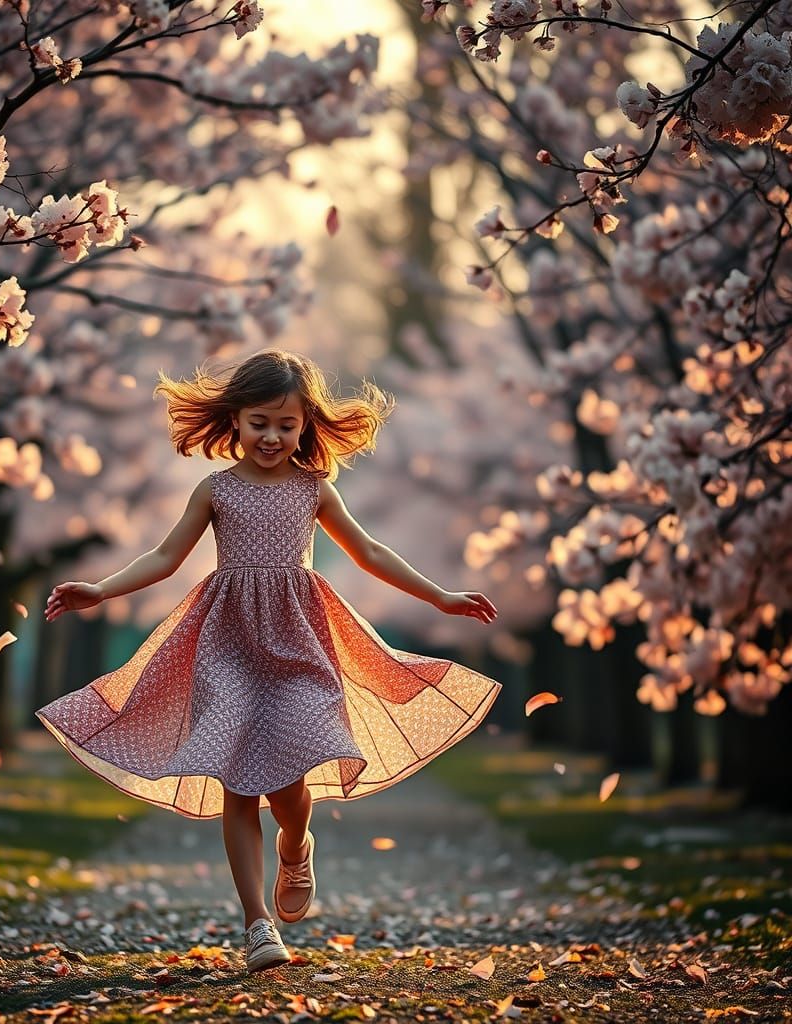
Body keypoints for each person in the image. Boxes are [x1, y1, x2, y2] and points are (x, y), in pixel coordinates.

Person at [36, 348, 502, 973]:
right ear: (234, 420)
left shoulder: (314, 489)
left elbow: (368, 552)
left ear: (307, 424)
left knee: (289, 783)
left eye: (287, 424)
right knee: (237, 783)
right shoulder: (216, 489)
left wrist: (439, 596)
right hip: (225, 643)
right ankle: (257, 925)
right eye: (260, 422)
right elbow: (165, 557)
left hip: (299, 642)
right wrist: (102, 588)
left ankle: (295, 842)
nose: (272, 436)